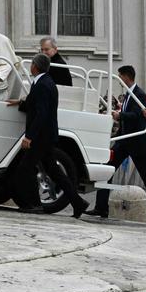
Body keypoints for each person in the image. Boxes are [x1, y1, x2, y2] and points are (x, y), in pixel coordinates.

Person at [9, 54, 88, 217]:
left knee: (25, 168)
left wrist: (29, 136)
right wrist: (21, 103)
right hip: (45, 136)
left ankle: (35, 204)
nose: (30, 66)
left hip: (41, 137)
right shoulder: (42, 82)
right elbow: (35, 105)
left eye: (32, 64)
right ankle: (78, 203)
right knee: (54, 171)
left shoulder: (43, 85)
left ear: (35, 67)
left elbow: (41, 114)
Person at [87, 65, 146, 222]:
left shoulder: (139, 94)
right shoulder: (128, 94)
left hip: (137, 143)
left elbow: (136, 116)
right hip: (124, 141)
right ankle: (101, 207)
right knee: (106, 171)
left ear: (127, 77)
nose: (119, 80)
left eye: (120, 76)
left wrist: (119, 115)